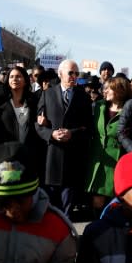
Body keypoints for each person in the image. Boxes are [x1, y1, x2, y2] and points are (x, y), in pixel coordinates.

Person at [35, 59, 92, 216]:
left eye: (76, 73)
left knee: (66, 211)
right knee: (50, 209)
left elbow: (89, 127)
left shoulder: (84, 97)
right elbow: (39, 125)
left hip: (73, 160)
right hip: (52, 158)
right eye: (70, 73)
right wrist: (51, 134)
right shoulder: (47, 94)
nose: (73, 76)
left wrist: (72, 134)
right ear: (60, 74)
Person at [86, 77, 132, 215]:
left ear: (118, 90)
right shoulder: (99, 106)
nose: (104, 91)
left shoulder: (129, 109)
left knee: (115, 203)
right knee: (97, 201)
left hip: (118, 160)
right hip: (98, 159)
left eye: (108, 88)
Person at [0, 66, 45, 180]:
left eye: (18, 76)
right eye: (11, 77)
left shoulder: (34, 102)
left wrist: (43, 122)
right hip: (7, 158)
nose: (14, 79)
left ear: (25, 80)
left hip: (29, 156)